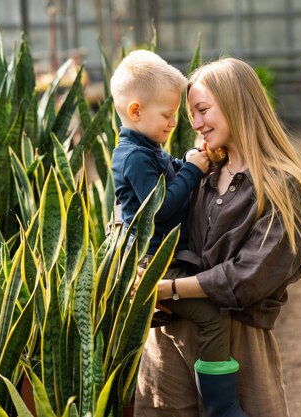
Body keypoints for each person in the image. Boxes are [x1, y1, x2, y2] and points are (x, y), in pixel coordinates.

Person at [134, 57, 301, 417]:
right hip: (171, 334)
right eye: (192, 116)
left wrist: (167, 289)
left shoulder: (281, 185)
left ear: (236, 104)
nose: (197, 125)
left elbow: (250, 275)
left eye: (203, 110)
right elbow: (146, 223)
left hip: (240, 338)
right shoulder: (197, 174)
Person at [111, 50, 248, 416]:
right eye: (168, 115)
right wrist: (190, 171)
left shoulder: (149, 149)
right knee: (212, 317)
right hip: (157, 264)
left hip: (170, 259)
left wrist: (189, 160)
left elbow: (173, 170)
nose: (174, 123)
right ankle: (222, 405)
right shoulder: (134, 157)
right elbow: (160, 208)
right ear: (136, 111)